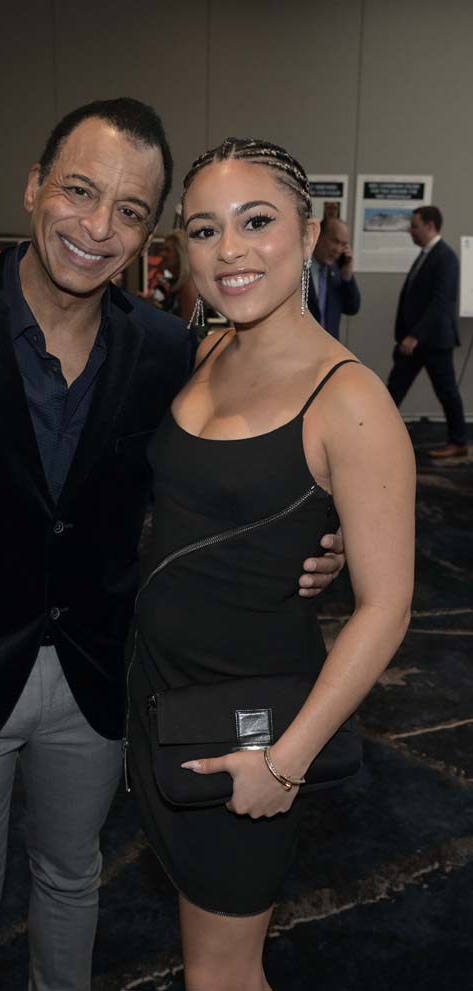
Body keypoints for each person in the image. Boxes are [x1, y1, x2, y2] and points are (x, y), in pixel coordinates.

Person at [0, 101, 345, 991]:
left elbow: (218, 475)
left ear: (149, 232)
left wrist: (316, 537)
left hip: (97, 675)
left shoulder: (163, 348)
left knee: (73, 883)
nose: (97, 228)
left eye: (130, 211)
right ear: (35, 186)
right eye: (79, 191)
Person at [127, 138, 415, 991]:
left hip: (245, 727)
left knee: (221, 973)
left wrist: (285, 762)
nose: (231, 252)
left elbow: (388, 606)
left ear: (309, 228)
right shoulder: (208, 345)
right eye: (205, 230)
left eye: (257, 222)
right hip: (157, 692)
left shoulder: (351, 399)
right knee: (198, 947)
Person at [386, 206, 467, 458]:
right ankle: (374, 434)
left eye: (415, 225)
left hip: (432, 341)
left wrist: (415, 336)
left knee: (447, 391)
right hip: (416, 340)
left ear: (430, 226)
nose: (411, 229)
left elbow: (440, 302)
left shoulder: (446, 257)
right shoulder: (427, 255)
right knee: (393, 390)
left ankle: (459, 441)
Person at [307, 215, 360, 340]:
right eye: (335, 241)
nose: (338, 249)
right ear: (317, 237)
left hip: (329, 350)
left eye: (343, 244)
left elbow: (352, 307)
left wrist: (347, 276)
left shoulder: (337, 271)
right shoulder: (296, 269)